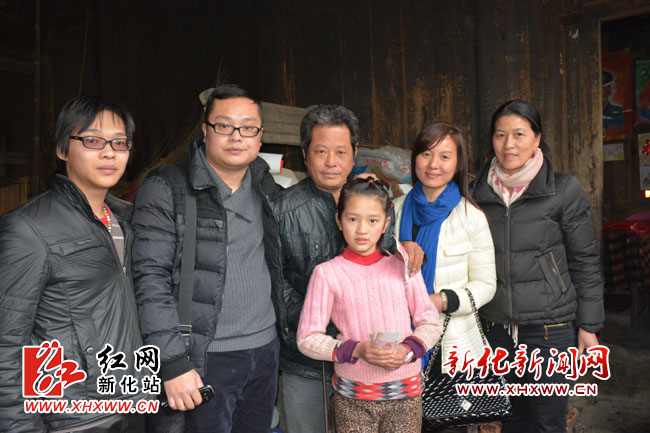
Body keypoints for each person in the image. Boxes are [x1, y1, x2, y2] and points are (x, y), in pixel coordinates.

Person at [131, 84, 286, 433]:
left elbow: (319, 221)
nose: (236, 136)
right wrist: (171, 362)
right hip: (202, 358)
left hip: (264, 351)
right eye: (224, 125)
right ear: (205, 130)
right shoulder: (167, 187)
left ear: (260, 136)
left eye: (248, 127)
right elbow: (149, 280)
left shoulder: (267, 188)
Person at [0, 96, 147, 432]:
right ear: (62, 150)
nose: (109, 153)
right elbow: (4, 345)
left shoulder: (123, 223)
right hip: (73, 419)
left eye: (120, 143)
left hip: (130, 407)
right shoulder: (28, 229)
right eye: (93, 141)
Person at [273, 105, 424, 433]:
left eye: (341, 152)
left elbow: (386, 265)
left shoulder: (373, 199)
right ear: (305, 154)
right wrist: (332, 329)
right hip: (306, 361)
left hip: (371, 367)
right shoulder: (282, 210)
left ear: (355, 153)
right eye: (321, 151)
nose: (331, 161)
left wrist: (407, 248)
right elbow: (275, 283)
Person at [471, 100, 604, 433]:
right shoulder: (476, 192)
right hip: (496, 329)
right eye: (500, 135)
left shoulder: (563, 189)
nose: (509, 144)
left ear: (537, 138)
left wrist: (588, 325)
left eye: (519, 134)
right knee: (511, 420)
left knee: (548, 422)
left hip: (551, 329)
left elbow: (585, 260)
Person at [297, 178, 442, 433]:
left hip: (406, 395)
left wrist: (408, 350)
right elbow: (307, 338)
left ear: (386, 224)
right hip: (353, 398)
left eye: (372, 221)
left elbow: (430, 322)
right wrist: (355, 349)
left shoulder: (403, 267)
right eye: (353, 219)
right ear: (338, 220)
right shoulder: (327, 274)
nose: (362, 230)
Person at [393, 123, 496, 379]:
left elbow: (486, 285)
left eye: (445, 156)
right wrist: (396, 251)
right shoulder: (393, 210)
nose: (433, 165)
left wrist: (442, 301)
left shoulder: (471, 217)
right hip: (397, 342)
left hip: (451, 347)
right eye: (426, 154)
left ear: (458, 163)